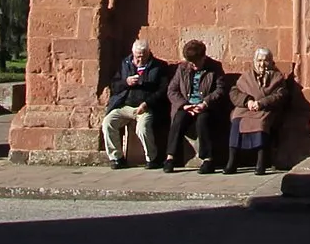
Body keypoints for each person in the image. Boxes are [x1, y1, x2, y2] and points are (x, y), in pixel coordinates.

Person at [99, 38, 168, 169]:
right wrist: (126, 82)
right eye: (137, 57)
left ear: (148, 53)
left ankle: (152, 159)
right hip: (125, 104)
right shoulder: (125, 64)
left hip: (145, 106)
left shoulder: (159, 66)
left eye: (142, 57)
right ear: (133, 54)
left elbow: (163, 90)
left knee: (142, 129)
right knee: (108, 122)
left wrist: (147, 103)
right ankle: (117, 158)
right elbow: (114, 85)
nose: (139, 60)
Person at [163, 39, 227, 173]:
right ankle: (170, 157)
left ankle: (208, 159)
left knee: (203, 121)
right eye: (191, 63)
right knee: (179, 119)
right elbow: (172, 90)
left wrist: (205, 103)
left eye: (196, 62)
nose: (193, 66)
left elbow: (220, 89)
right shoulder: (182, 68)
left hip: (206, 107)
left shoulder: (214, 67)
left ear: (203, 57)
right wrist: (184, 105)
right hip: (187, 106)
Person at [225, 46, 290, 176]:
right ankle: (232, 162)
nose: (262, 64)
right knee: (237, 120)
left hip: (264, 109)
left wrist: (261, 103)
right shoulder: (247, 76)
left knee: (261, 123)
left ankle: (261, 163)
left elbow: (280, 95)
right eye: (259, 60)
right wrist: (247, 101)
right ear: (254, 61)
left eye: (265, 60)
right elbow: (235, 91)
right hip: (246, 108)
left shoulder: (277, 77)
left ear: (271, 62)